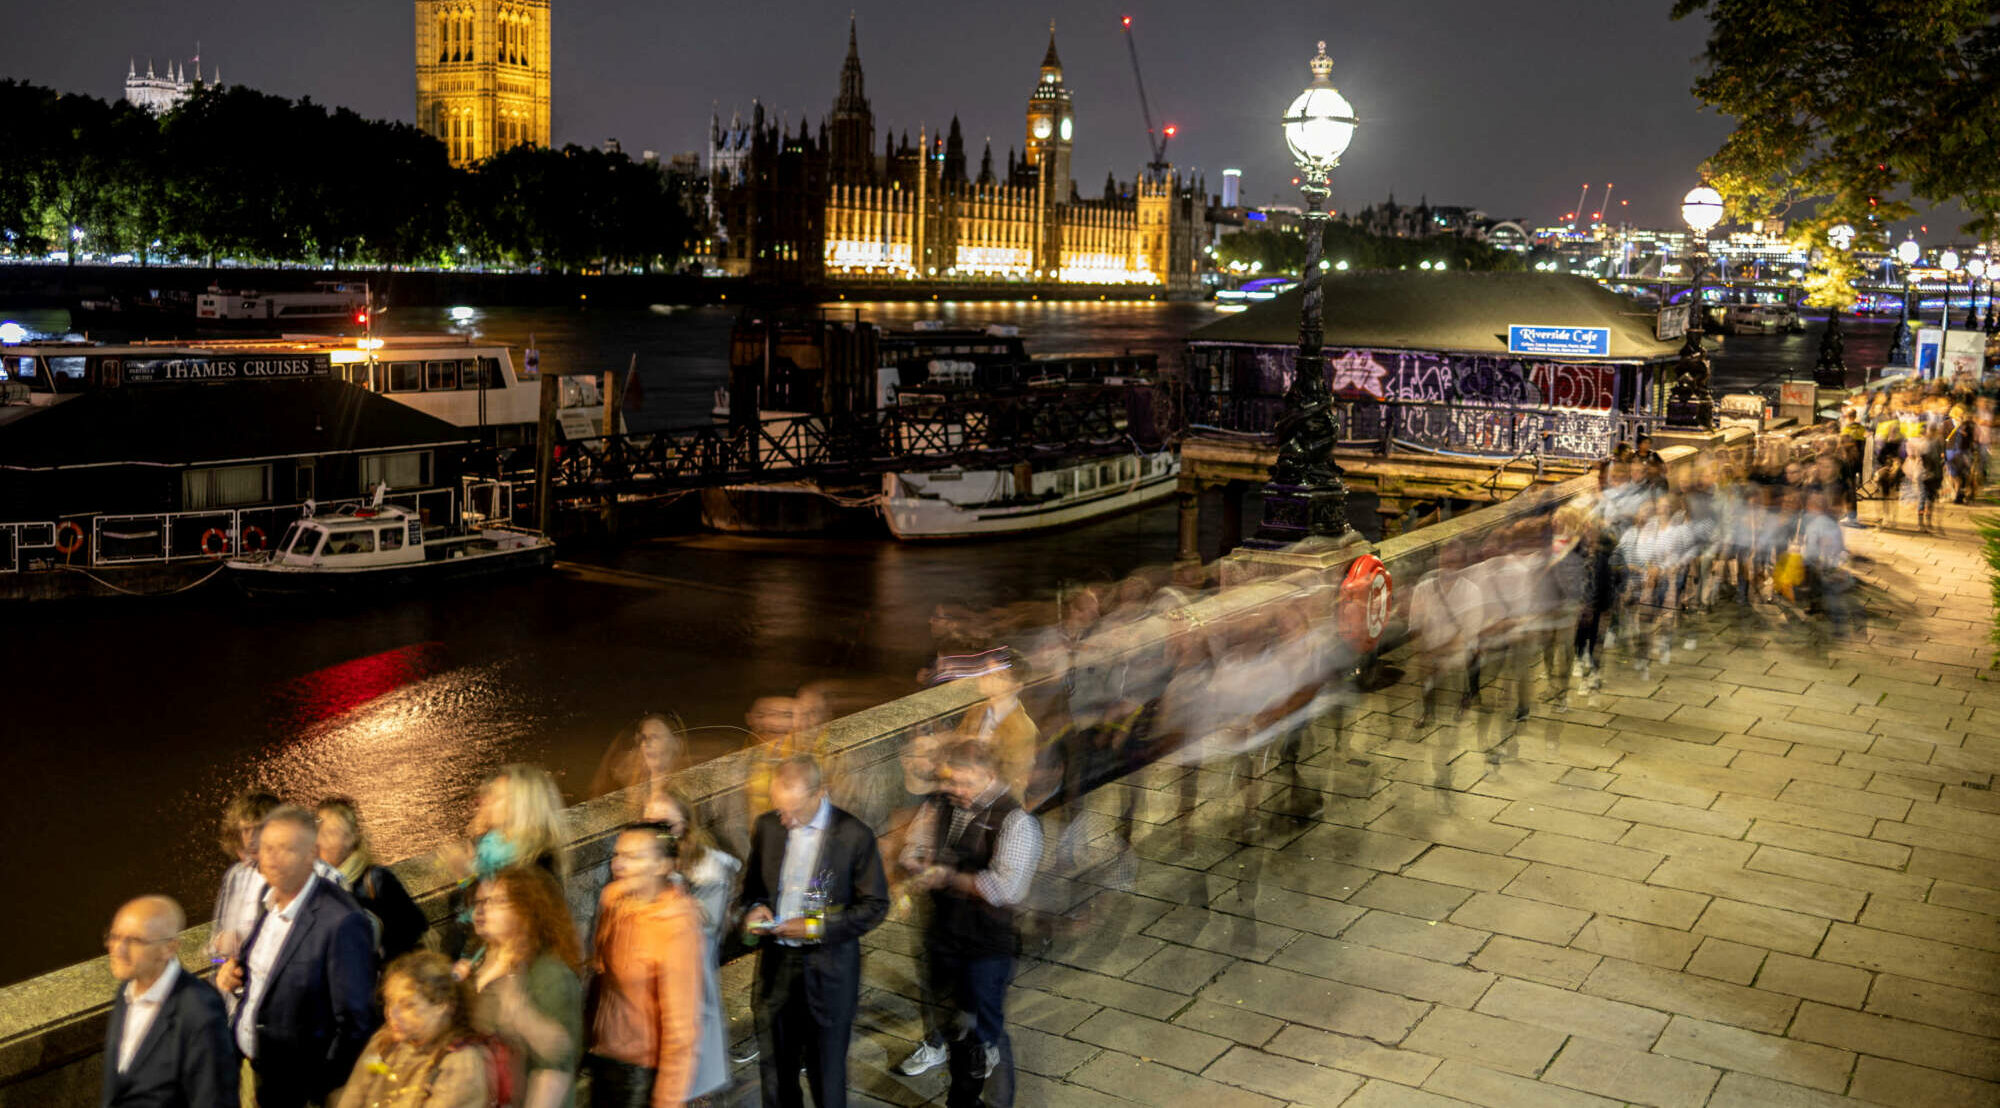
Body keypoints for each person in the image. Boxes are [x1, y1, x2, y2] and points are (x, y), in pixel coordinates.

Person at [738, 757, 889, 1108]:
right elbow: (753, 889)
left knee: (827, 1077)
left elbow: (875, 905)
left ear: (820, 793)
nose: (785, 821)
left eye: (793, 811)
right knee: (776, 1073)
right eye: (779, 810)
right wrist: (754, 909)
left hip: (829, 972)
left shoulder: (853, 835)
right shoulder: (768, 826)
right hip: (778, 968)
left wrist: (813, 927)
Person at [900, 742, 1043, 1108]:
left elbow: (1005, 888)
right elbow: (911, 846)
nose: (958, 791)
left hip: (986, 947)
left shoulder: (1016, 821)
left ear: (990, 776)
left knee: (985, 1032)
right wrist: (918, 862)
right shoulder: (941, 804)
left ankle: (991, 1100)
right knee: (954, 1026)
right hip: (943, 937)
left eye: (966, 783)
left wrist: (948, 877)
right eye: (952, 782)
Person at [217, 807, 377, 1108]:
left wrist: (317, 1089)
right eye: (267, 848)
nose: (273, 858)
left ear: (310, 854)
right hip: (261, 1070)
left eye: (286, 849)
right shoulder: (270, 896)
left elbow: (355, 1022)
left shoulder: (342, 920)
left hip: (300, 1088)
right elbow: (269, 976)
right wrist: (234, 978)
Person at [586, 823, 704, 1108]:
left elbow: (682, 1028)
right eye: (618, 855)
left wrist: (667, 1100)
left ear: (664, 865)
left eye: (635, 857)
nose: (620, 864)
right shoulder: (612, 899)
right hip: (603, 1057)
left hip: (640, 1072)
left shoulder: (676, 926)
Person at [648, 789, 741, 1103]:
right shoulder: (641, 864)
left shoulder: (707, 870)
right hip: (650, 992)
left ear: (684, 826)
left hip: (690, 989)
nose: (655, 834)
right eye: (649, 824)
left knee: (690, 1076)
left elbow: (703, 930)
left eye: (664, 825)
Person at [101, 895, 238, 1107]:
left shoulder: (200, 1010)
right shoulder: (125, 992)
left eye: (134, 941)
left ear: (169, 948)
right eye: (115, 937)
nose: (118, 950)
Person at [468, 868, 583, 1108]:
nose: (484, 908)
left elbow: (553, 1070)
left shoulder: (549, 975)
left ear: (529, 911)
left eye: (500, 901)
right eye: (483, 901)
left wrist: (519, 1013)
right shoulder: (481, 961)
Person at [337, 952, 495, 1108]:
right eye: (389, 1002)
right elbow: (354, 1094)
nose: (392, 1014)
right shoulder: (384, 1041)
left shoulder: (461, 1065)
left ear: (441, 1006)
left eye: (408, 1005)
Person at [442, 765, 570, 957]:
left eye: (498, 797)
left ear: (523, 807)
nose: (486, 800)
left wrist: (467, 877)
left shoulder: (534, 868)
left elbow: (492, 928)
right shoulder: (488, 850)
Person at [317, 797, 429, 963]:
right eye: (317, 832)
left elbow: (413, 930)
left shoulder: (376, 880)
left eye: (329, 833)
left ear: (352, 838)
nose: (320, 842)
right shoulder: (316, 886)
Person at [208, 790, 283, 965]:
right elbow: (214, 958)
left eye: (258, 829)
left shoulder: (303, 877)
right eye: (245, 830)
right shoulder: (236, 875)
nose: (250, 839)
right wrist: (220, 951)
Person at [589, 713, 686, 813]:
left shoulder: (679, 798)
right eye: (644, 738)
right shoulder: (632, 790)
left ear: (677, 744)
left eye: (655, 737)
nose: (647, 743)